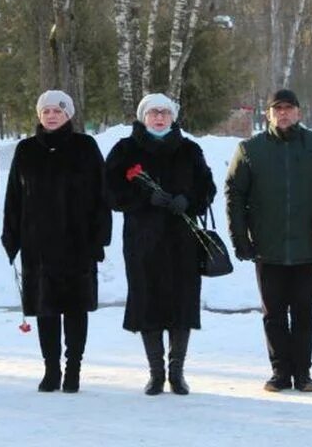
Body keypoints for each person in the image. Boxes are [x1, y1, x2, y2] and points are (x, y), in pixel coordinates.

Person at [225, 89, 312, 393]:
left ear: (299, 112)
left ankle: (303, 373)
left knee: (304, 313)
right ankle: (280, 372)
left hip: (308, 245)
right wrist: (240, 237)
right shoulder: (250, 149)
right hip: (267, 247)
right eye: (277, 109)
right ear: (268, 114)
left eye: (289, 108)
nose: (283, 114)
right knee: (274, 314)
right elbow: (234, 194)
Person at [104, 93, 215, 396]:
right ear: (143, 116)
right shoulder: (126, 150)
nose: (159, 117)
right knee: (148, 304)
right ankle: (155, 373)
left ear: (173, 116)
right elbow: (110, 191)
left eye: (165, 112)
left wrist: (189, 201)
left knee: (181, 305)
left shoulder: (190, 150)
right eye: (153, 112)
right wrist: (142, 198)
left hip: (182, 242)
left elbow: (207, 186)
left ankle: (177, 373)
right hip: (144, 242)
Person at [2, 90, 111, 393]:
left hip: (78, 243)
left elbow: (102, 195)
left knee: (75, 309)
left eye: (57, 110)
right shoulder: (26, 150)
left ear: (69, 114)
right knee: (45, 309)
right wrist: (11, 236)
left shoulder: (85, 147)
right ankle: (51, 369)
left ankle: (73, 369)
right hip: (37, 245)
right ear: (39, 115)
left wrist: (99, 237)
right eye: (46, 110)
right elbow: (14, 196)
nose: (51, 115)